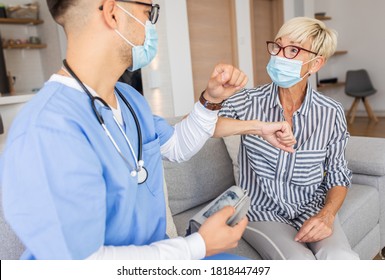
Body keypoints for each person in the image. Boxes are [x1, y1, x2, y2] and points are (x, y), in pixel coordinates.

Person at [0, 0, 295, 260]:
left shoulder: (129, 99)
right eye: (148, 12)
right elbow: (85, 264)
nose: (150, 27)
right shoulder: (48, 129)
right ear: (113, 13)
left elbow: (177, 146)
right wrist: (198, 246)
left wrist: (212, 100)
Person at [215, 17, 360, 260]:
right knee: (299, 263)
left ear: (316, 64)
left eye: (293, 50)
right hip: (261, 212)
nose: (280, 56)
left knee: (342, 259)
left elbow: (338, 173)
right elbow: (208, 126)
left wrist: (327, 215)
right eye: (278, 46)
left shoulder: (330, 112)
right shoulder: (248, 101)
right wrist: (256, 127)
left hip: (311, 208)